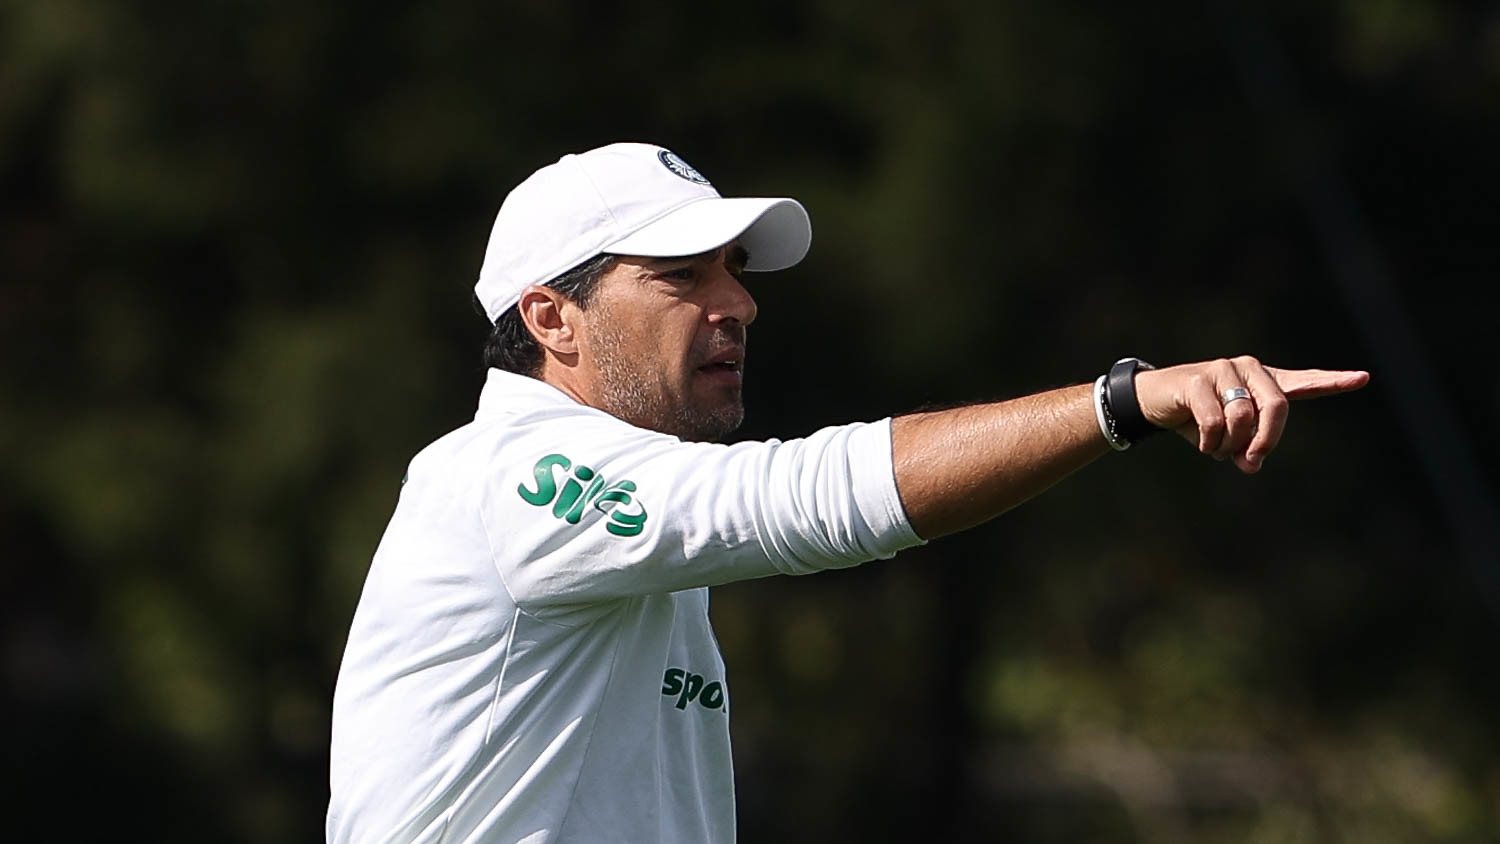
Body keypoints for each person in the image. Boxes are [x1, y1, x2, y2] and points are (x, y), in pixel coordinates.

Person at [325, 142, 1368, 843]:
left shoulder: (613, 504)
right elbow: (806, 496)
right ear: (551, 318)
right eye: (681, 275)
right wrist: (1121, 402)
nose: (738, 303)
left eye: (733, 269)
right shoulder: (510, 476)